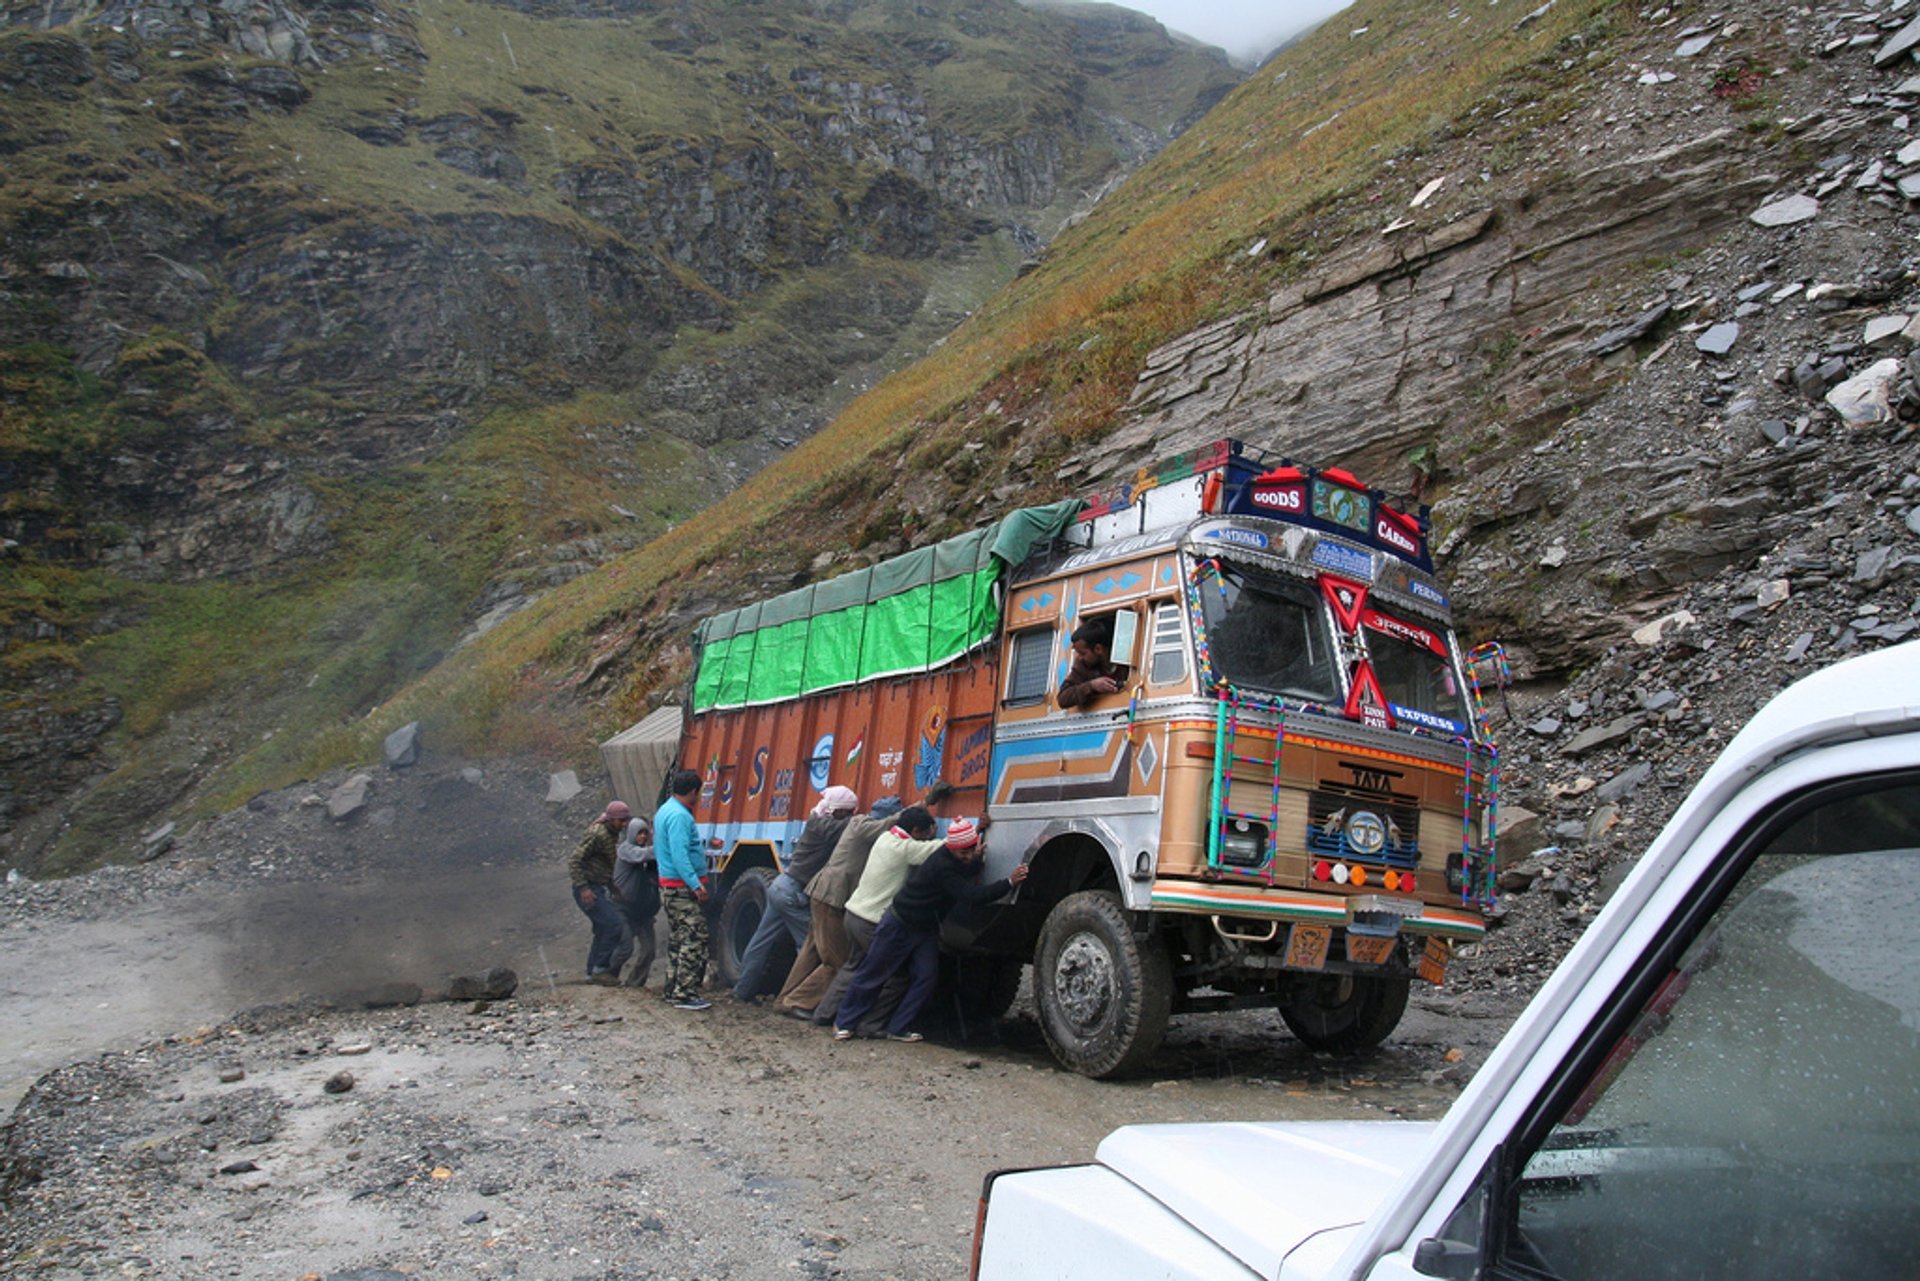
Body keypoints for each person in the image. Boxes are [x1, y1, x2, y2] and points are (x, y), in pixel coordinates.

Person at [833, 818, 1026, 1042]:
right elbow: (971, 895)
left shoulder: (953, 860)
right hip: (900, 925)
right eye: (963, 852)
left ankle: (898, 1028)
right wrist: (1009, 882)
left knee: (925, 977)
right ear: (951, 849)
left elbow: (963, 869)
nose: (967, 856)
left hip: (924, 929)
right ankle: (844, 1022)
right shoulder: (942, 866)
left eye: (971, 850)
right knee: (873, 973)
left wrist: (976, 852)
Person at [815, 801, 956, 1033]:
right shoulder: (904, 848)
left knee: (853, 967)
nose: (928, 838)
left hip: (853, 913)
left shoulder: (884, 839)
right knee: (894, 976)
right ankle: (870, 1024)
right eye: (926, 834)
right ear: (916, 832)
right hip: (871, 921)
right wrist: (976, 830)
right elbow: (941, 848)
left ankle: (824, 1013)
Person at [777, 794, 908, 1019]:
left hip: (822, 895)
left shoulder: (859, 825)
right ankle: (798, 1001)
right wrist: (916, 809)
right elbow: (888, 824)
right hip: (832, 899)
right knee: (838, 961)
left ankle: (784, 999)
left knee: (811, 952)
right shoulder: (863, 825)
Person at [732, 785, 859, 1002]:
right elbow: (856, 827)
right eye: (847, 812)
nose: (849, 816)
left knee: (761, 942)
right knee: (814, 946)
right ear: (837, 810)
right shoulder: (824, 826)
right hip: (792, 893)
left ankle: (742, 992)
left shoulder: (817, 817)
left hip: (782, 886)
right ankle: (801, 999)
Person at [654, 769, 711, 1011]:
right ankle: (685, 993)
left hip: (670, 886)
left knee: (678, 938)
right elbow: (680, 853)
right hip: (680, 888)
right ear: (692, 791)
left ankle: (672, 988)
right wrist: (695, 884)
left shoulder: (665, 810)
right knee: (695, 935)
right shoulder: (680, 817)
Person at [567, 800, 634, 985]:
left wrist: (612, 887)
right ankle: (601, 969)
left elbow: (603, 863)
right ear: (611, 819)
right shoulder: (598, 834)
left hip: (598, 885)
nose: (624, 824)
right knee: (613, 925)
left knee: (602, 928)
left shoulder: (610, 833)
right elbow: (574, 861)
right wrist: (584, 888)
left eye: (625, 820)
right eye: (620, 820)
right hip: (588, 887)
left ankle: (592, 971)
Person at [613, 812, 659, 988]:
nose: (643, 837)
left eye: (645, 833)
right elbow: (643, 855)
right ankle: (609, 976)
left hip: (642, 912)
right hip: (623, 908)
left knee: (649, 951)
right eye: (640, 833)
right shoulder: (626, 850)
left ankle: (635, 983)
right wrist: (664, 845)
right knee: (625, 948)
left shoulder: (648, 857)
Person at [1056, 615, 1127, 709]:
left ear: (1098, 649)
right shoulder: (1083, 665)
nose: (1079, 658)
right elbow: (1063, 699)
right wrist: (1091, 686)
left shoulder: (1125, 660)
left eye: (1082, 653)